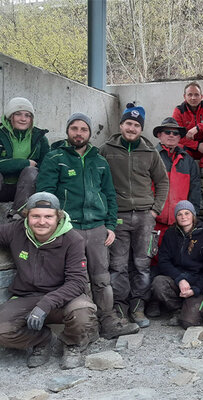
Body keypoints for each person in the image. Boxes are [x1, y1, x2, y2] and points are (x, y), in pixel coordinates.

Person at [36, 113, 140, 339]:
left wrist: (110, 225)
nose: (79, 133)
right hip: (68, 229)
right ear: (68, 131)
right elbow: (45, 195)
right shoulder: (55, 158)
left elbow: (110, 195)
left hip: (97, 228)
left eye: (84, 129)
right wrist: (55, 226)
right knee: (77, 279)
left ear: (90, 133)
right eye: (74, 128)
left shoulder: (99, 160)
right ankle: (87, 325)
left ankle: (109, 320)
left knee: (102, 278)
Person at [0, 192, 98, 369]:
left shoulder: (73, 239)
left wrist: (45, 304)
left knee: (83, 311)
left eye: (48, 216)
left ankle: (72, 344)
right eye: (35, 216)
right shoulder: (16, 230)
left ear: (58, 216)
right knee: (2, 330)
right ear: (27, 216)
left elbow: (77, 282)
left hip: (64, 296)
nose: (41, 222)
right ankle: (42, 340)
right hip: (26, 296)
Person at [99, 103, 169, 328]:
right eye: (128, 123)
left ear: (141, 129)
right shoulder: (106, 150)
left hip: (144, 217)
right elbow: (98, 181)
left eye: (136, 125)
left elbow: (162, 181)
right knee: (117, 265)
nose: (131, 128)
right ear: (121, 125)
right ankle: (120, 307)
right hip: (117, 216)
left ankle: (138, 305)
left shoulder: (150, 153)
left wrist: (155, 209)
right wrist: (106, 212)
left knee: (142, 264)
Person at [151, 201, 203, 328]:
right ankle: (177, 309)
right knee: (158, 283)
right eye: (179, 214)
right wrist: (180, 279)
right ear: (176, 217)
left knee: (188, 323)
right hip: (178, 278)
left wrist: (196, 289)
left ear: (193, 215)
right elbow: (164, 261)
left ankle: (199, 306)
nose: (183, 216)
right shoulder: (170, 234)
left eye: (187, 213)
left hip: (198, 283)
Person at [152, 117, 203, 244]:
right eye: (167, 132)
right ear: (159, 135)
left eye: (175, 133)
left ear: (180, 137)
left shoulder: (188, 161)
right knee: (151, 258)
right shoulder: (150, 157)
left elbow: (195, 191)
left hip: (179, 224)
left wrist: (193, 216)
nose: (171, 135)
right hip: (153, 222)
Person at [0, 97, 49, 218]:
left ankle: (18, 215)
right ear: (10, 116)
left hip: (26, 189)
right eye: (18, 114)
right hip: (2, 185)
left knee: (31, 171)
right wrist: (25, 163)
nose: (23, 119)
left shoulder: (40, 138)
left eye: (28, 115)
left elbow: (46, 166)